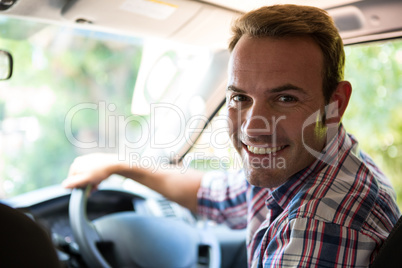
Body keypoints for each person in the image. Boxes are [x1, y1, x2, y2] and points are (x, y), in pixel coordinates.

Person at [63, 4, 400, 267]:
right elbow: (214, 195)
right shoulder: (310, 158)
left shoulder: (318, 226)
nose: (253, 127)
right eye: (239, 98)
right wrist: (119, 165)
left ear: (335, 103)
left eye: (285, 99)